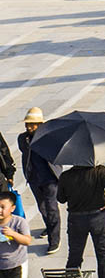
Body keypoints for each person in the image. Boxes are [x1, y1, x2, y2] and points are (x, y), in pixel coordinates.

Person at [58, 162, 105, 278]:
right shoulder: (100, 171)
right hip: (99, 216)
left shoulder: (66, 176)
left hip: (76, 219)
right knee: (104, 255)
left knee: (75, 255)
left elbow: (61, 199)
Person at [16, 108, 60, 253]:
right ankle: (49, 226)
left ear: (40, 124)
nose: (29, 127)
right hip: (34, 178)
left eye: (33, 124)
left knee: (51, 208)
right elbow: (24, 151)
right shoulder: (23, 139)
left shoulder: (49, 137)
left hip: (50, 178)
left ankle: (54, 240)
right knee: (42, 207)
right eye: (28, 124)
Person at [0, 189, 32, 278]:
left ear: (12, 208)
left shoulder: (19, 222)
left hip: (16, 265)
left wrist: (13, 234)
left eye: (2, 207)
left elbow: (27, 241)